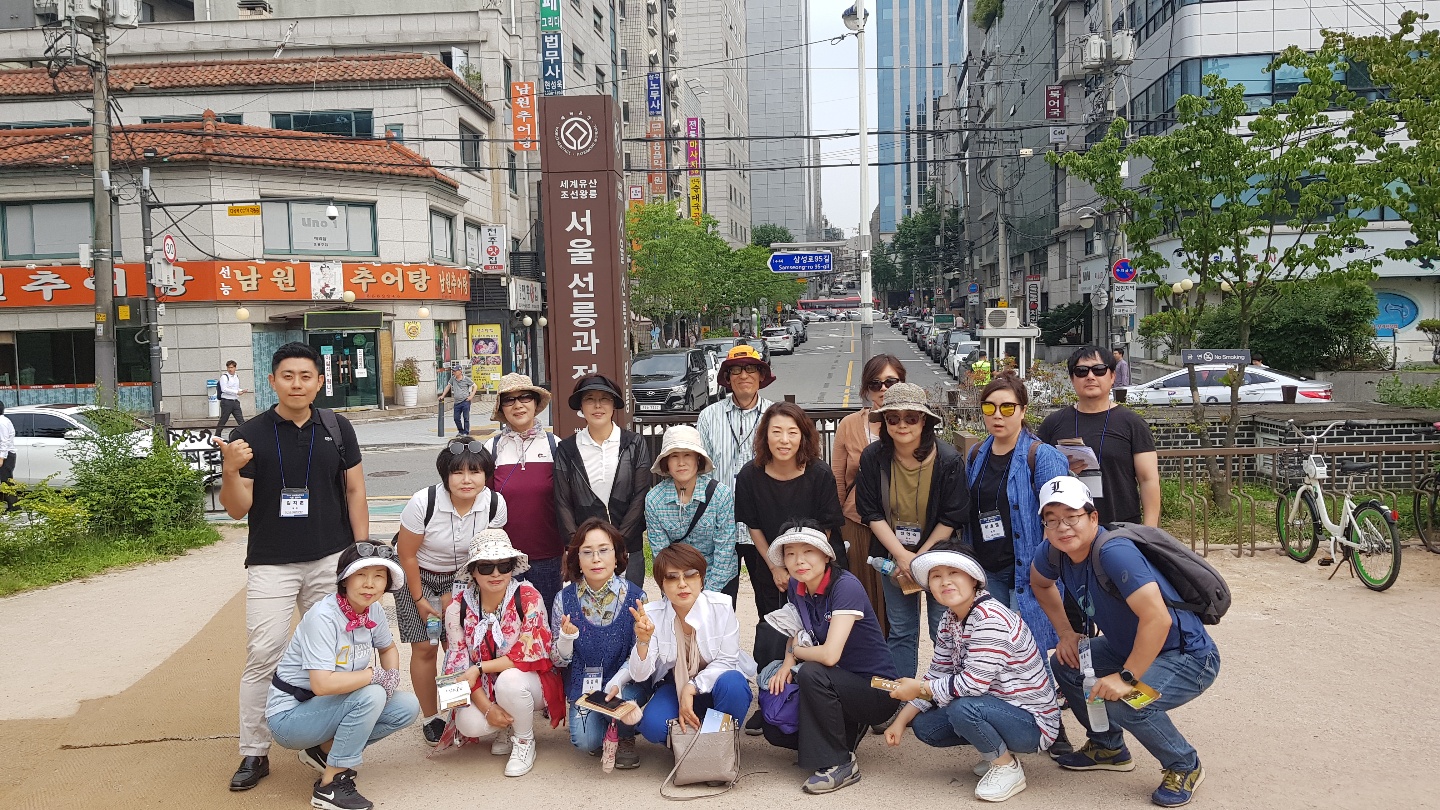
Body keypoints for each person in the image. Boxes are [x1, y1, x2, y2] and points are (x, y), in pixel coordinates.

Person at [217, 342, 368, 792]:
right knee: (263, 654)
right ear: (272, 381)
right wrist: (230, 470)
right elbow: (236, 509)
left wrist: (361, 553)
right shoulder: (250, 434)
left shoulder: (337, 427)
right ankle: (254, 750)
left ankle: (322, 741)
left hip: (330, 559)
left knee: (335, 654)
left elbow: (355, 491)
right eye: (288, 376)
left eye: (306, 376)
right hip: (271, 563)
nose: (297, 384)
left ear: (320, 382)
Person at [1030, 477, 1221, 808]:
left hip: (1187, 657)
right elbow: (1040, 583)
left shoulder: (1114, 553)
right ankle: (1108, 746)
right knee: (1065, 662)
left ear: (1093, 517)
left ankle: (1183, 764)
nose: (1062, 527)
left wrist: (1126, 677)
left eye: (1072, 517)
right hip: (1127, 648)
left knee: (1128, 700)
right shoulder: (1053, 552)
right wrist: (1065, 633)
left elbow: (1157, 619)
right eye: (1052, 519)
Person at [883, 549, 1059, 803]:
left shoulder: (990, 618)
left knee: (963, 707)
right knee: (925, 727)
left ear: (973, 579)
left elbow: (972, 685)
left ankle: (1006, 766)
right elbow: (938, 673)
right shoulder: (949, 618)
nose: (945, 582)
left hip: (1033, 724)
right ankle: (996, 751)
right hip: (996, 707)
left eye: (954, 573)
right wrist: (900, 721)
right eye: (936, 576)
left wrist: (919, 687)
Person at [265, 543, 420, 810]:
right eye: (361, 575)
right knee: (372, 694)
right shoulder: (324, 617)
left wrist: (392, 676)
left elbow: (387, 648)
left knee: (406, 707)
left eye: (379, 576)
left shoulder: (373, 610)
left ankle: (323, 751)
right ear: (344, 579)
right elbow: (322, 684)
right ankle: (330, 786)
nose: (369, 584)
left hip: (328, 707)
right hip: (290, 717)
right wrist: (374, 676)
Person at [760, 523, 898, 794]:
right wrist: (787, 665)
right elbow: (797, 630)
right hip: (839, 684)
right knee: (777, 731)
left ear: (825, 555)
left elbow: (829, 655)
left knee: (812, 671)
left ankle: (841, 763)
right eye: (790, 554)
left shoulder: (845, 586)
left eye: (808, 551)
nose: (799, 560)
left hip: (879, 688)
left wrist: (795, 654)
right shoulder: (796, 585)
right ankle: (847, 730)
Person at [394, 440, 508, 746]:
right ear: (445, 475)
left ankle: (458, 713)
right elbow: (406, 555)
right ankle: (431, 717)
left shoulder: (495, 505)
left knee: (460, 647)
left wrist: (457, 595)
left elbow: (489, 554)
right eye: (458, 473)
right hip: (418, 575)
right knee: (425, 647)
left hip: (464, 578)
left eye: (475, 472)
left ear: (486, 474)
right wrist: (420, 599)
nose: (466, 480)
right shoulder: (423, 502)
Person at [854, 382, 969, 680]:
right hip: (893, 558)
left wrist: (920, 559)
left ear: (925, 421)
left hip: (939, 558)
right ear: (884, 422)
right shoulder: (873, 457)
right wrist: (902, 557)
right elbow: (871, 512)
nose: (902, 425)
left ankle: (946, 694)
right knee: (901, 630)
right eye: (893, 418)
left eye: (911, 418)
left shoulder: (947, 460)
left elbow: (952, 517)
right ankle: (899, 694)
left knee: (943, 628)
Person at [436, 528, 565, 777]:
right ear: (473, 571)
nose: (496, 574)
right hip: (483, 685)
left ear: (512, 568)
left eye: (504, 566)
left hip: (528, 680)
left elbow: (528, 654)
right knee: (468, 723)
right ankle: (504, 725)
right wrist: (487, 708)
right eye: (486, 567)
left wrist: (480, 667)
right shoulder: (457, 608)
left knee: (509, 681)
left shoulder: (528, 597)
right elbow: (458, 665)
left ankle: (524, 740)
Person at [734, 402, 846, 679]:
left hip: (818, 564)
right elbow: (754, 526)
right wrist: (777, 567)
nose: (784, 440)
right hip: (771, 565)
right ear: (765, 436)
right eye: (777, 432)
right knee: (774, 627)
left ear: (803, 436)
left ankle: (818, 687)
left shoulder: (819, 473)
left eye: (792, 432)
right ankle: (774, 688)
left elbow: (827, 527)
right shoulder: (749, 475)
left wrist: (802, 569)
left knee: (821, 626)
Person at [618, 543, 757, 747]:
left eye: (690, 575)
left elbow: (727, 661)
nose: (682, 584)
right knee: (653, 725)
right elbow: (639, 675)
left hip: (717, 684)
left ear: (701, 579)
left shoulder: (721, 606)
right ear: (661, 585)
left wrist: (691, 687)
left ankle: (715, 743)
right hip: (674, 684)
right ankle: (690, 744)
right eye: (672, 577)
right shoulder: (652, 615)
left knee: (734, 685)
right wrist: (643, 641)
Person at [694, 345, 774, 677]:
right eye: (736, 370)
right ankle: (716, 675)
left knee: (771, 606)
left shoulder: (775, 416)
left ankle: (770, 677)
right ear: (727, 377)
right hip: (719, 526)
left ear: (761, 375)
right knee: (717, 603)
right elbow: (700, 471)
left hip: (763, 526)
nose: (744, 376)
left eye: (750, 369)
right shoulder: (709, 416)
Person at [550, 518, 648, 768]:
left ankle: (625, 735)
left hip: (625, 684)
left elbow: (638, 655)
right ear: (576, 558)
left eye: (604, 550)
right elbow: (558, 660)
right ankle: (607, 725)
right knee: (585, 741)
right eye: (587, 552)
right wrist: (566, 638)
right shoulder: (563, 599)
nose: (596, 559)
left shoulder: (637, 597)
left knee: (628, 697)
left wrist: (617, 683)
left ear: (617, 556)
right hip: (585, 687)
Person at [1037, 345, 1160, 527]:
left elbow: (1148, 479)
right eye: (1081, 371)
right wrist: (1063, 470)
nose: (1090, 376)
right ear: (1072, 379)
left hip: (1120, 527)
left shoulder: (1132, 423)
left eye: (1099, 370)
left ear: (1112, 376)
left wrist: (1149, 532)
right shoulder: (1053, 423)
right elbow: (1038, 477)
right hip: (1067, 528)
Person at [553, 374, 653, 586]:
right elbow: (562, 501)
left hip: (628, 549)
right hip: (586, 553)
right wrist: (578, 546)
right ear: (581, 406)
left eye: (604, 399)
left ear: (613, 404)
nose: (597, 406)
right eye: (589, 399)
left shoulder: (634, 444)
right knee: (585, 606)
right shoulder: (567, 449)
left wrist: (618, 543)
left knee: (630, 604)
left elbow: (641, 495)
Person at [832, 354, 907, 634]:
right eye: (876, 383)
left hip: (901, 526)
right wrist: (838, 528)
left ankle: (896, 657)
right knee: (860, 598)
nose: (883, 389)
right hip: (858, 523)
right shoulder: (850, 425)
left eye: (891, 382)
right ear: (866, 388)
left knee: (900, 606)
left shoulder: (911, 422)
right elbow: (839, 479)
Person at [488, 373, 565, 611]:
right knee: (506, 623)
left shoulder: (554, 445)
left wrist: (568, 549)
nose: (518, 405)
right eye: (509, 400)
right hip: (503, 560)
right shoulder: (492, 448)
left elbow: (567, 502)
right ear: (502, 408)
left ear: (535, 402)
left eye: (525, 397)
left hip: (548, 556)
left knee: (547, 623)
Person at [644, 425, 738, 599]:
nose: (681, 463)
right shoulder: (654, 499)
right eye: (674, 456)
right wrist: (678, 587)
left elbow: (725, 550)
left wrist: (707, 595)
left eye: (687, 455)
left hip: (718, 579)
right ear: (666, 462)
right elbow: (661, 553)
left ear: (698, 459)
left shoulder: (720, 494)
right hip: (676, 581)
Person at [438, 366, 477, 436]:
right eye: (453, 371)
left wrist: (471, 396)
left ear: (460, 371)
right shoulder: (453, 378)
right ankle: (460, 431)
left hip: (465, 401)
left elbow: (475, 386)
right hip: (457, 402)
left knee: (466, 418)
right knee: (456, 418)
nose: (453, 372)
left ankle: (466, 432)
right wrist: (443, 395)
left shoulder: (466, 379)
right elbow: (448, 386)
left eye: (455, 371)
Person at [217, 359, 249, 433]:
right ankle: (217, 435)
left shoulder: (236, 376)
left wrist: (242, 390)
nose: (230, 369)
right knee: (223, 420)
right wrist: (237, 392)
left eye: (231, 367)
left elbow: (236, 388)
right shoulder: (224, 377)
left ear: (235, 368)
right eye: (228, 367)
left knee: (240, 420)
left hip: (235, 401)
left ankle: (245, 434)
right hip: (226, 401)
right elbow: (224, 389)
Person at [0, 401, 14, 509]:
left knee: (6, 481)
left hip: (6, 455)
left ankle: (14, 506)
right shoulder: (4, 420)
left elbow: (4, 441)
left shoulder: (1, 422)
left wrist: (1, 457)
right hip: (6, 454)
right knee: (4, 480)